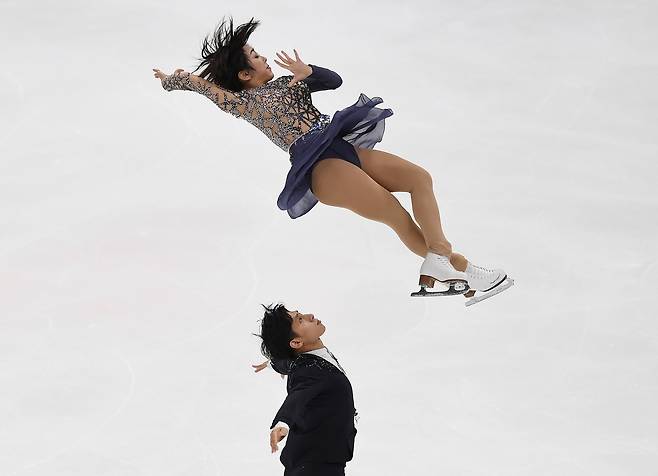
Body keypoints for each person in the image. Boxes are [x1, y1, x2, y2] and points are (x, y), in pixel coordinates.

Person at [153, 17, 512, 302]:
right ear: (245, 75)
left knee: (419, 178)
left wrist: (308, 71)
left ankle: (443, 258)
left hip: (343, 149)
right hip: (321, 168)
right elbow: (196, 84)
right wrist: (171, 79)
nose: (264, 58)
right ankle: (462, 268)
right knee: (394, 213)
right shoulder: (242, 104)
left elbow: (334, 80)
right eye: (257, 57)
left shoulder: (289, 84)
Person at [255, 303, 357, 476]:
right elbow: (298, 396)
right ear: (296, 342)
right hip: (316, 468)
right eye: (300, 320)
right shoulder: (311, 371)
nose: (310, 315)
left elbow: (291, 363)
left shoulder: (307, 360)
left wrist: (273, 364)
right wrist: (283, 422)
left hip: (317, 461)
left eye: (300, 314)